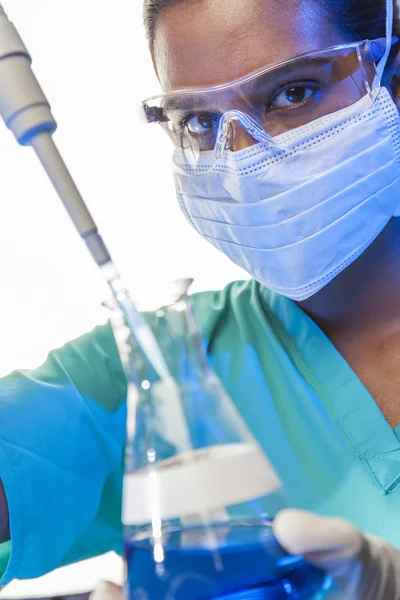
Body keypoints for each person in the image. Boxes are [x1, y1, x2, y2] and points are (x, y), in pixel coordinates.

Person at [1, 0, 400, 596]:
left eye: (292, 93)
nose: (239, 158)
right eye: (199, 122)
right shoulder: (156, 371)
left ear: (391, 77)